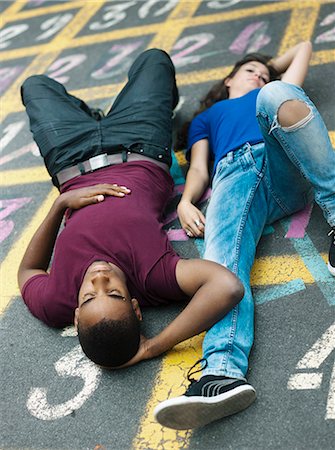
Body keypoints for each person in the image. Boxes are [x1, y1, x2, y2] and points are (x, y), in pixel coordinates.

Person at [18, 50, 244, 377]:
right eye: (113, 292)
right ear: (135, 307)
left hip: (71, 158)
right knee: (154, 60)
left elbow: (28, 271)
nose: (99, 280)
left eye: (89, 296)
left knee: (35, 85)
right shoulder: (153, 279)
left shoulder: (56, 302)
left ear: (77, 314)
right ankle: (149, 107)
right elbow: (227, 286)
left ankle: (88, 116)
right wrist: (154, 346)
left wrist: (60, 206)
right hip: (139, 145)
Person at [153, 41, 335, 429]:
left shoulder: (266, 94)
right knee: (221, 263)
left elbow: (302, 48)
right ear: (228, 79)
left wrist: (267, 72)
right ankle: (221, 372)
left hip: (282, 158)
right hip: (233, 175)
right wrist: (187, 201)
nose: (259, 73)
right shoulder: (209, 116)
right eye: (250, 70)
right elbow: (200, 167)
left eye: (264, 70)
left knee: (279, 94)